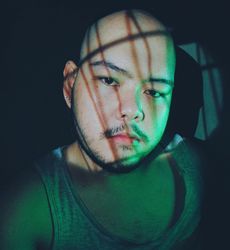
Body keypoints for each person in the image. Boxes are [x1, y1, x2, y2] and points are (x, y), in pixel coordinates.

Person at [0, 9, 203, 250]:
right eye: (108, 80)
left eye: (154, 91)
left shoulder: (201, 169)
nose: (133, 109)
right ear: (70, 86)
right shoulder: (25, 215)